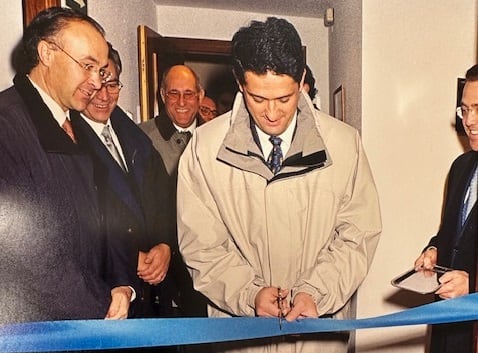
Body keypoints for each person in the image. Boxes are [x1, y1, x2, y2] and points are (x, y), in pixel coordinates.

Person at [177, 16, 382, 353]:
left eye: (285, 98)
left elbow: (356, 236)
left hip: (317, 334)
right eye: (258, 99)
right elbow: (202, 248)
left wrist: (314, 291)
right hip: (240, 336)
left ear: (301, 80)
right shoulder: (203, 149)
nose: (272, 113)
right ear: (240, 83)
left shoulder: (345, 145)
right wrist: (249, 294)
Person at [0, 7, 133, 324]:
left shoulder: (78, 126)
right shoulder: (6, 125)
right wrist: (100, 307)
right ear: (46, 52)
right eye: (87, 66)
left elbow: (110, 215)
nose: (96, 83)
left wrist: (121, 284)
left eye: (101, 71)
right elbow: (25, 252)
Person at [70, 43, 175, 319]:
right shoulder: (68, 139)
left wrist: (165, 246)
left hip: (152, 293)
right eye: (96, 86)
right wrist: (130, 257)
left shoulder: (135, 135)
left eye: (113, 85)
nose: (103, 96)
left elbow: (163, 199)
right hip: (107, 293)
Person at [414, 64, 478, 353]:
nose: (470, 121)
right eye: (464, 110)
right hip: (448, 327)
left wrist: (473, 287)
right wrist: (433, 250)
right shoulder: (460, 166)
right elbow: (448, 235)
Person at [140, 64, 209, 319]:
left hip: (205, 265)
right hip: (158, 267)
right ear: (161, 95)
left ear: (200, 96)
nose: (182, 102)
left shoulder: (214, 138)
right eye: (173, 93)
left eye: (189, 94)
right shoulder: (140, 138)